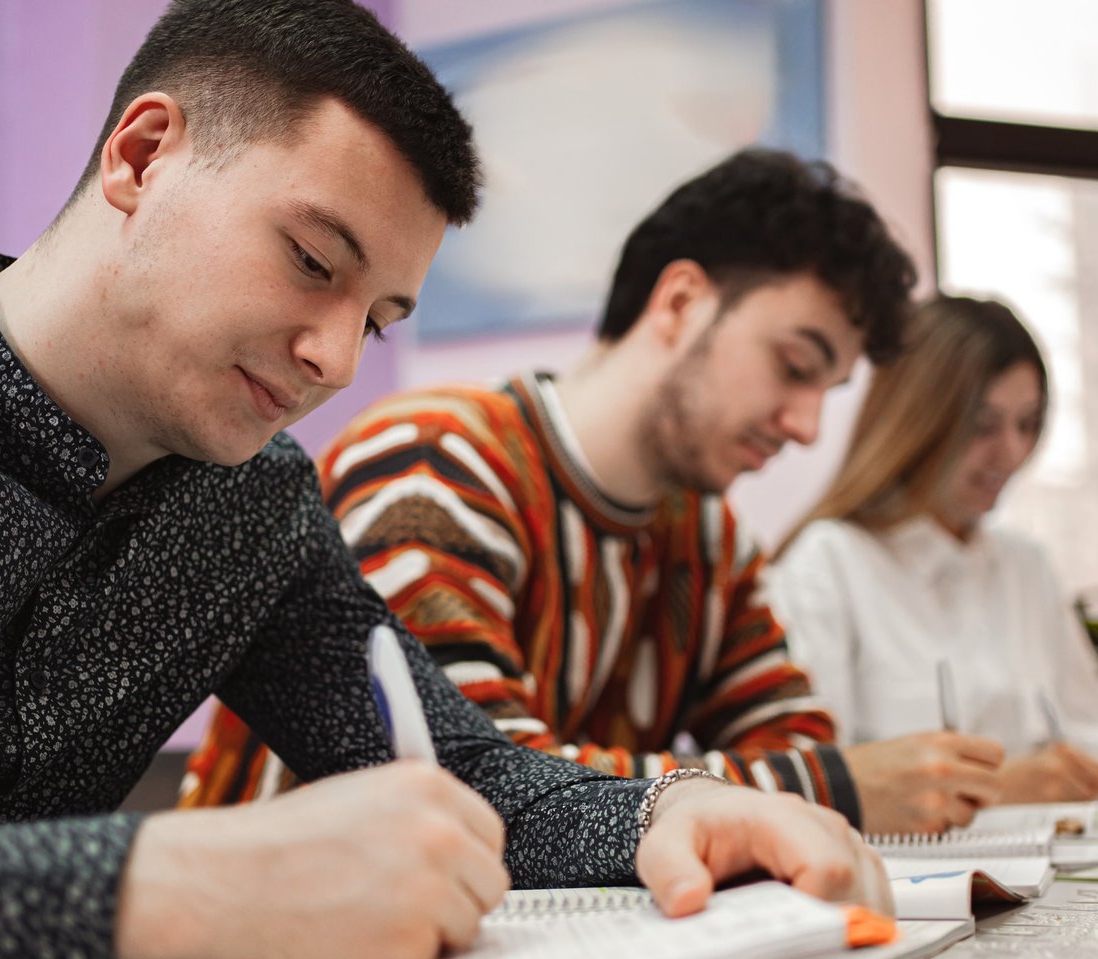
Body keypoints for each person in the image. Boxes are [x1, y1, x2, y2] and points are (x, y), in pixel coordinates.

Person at [0, 0, 891, 959]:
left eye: (383, 317)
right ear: (143, 155)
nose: (336, 359)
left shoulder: (250, 508)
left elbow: (463, 771)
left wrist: (661, 813)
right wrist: (155, 886)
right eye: (312, 260)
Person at [183, 150, 1008, 837]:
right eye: (796, 366)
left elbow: (791, 737)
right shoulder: (438, 462)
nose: (805, 426)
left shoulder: (710, 537)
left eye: (828, 389)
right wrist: (834, 787)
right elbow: (483, 779)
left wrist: (816, 777)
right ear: (681, 302)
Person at [768, 295, 1098, 803]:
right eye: (983, 427)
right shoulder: (828, 564)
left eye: (1027, 424)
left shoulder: (1026, 567)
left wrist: (1083, 777)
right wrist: (1000, 788)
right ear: (917, 423)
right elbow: (814, 789)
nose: (1010, 452)